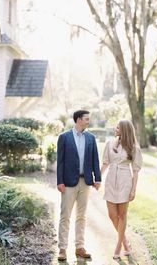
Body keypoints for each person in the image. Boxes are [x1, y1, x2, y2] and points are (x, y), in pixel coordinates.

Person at [57, 110, 101, 261]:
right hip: (68, 183)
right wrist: (60, 181)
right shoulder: (64, 137)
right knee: (65, 216)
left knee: (81, 216)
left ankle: (79, 247)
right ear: (78, 120)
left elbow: (95, 159)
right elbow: (60, 161)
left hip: (86, 182)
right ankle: (62, 249)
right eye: (86, 119)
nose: (88, 121)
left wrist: (98, 179)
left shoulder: (91, 138)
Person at [101, 120, 142, 259]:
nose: (115, 128)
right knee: (112, 215)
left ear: (124, 129)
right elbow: (105, 163)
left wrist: (133, 190)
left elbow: (135, 171)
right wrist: (97, 179)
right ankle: (125, 241)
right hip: (111, 180)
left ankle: (119, 246)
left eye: (117, 127)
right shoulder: (109, 143)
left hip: (125, 181)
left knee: (122, 215)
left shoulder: (134, 147)